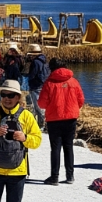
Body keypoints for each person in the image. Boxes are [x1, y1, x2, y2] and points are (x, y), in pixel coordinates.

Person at [38, 58, 85, 186]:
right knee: (68, 147)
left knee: (55, 148)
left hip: (54, 119)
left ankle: (54, 177)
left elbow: (41, 103)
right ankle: (70, 176)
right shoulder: (74, 81)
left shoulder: (49, 83)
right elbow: (81, 100)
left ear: (51, 68)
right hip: (71, 118)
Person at [26, 44, 49, 128]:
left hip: (35, 86)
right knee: (41, 105)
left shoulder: (35, 62)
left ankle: (40, 124)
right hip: (43, 85)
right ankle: (41, 122)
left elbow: (32, 75)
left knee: (37, 106)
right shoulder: (44, 61)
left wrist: (29, 81)